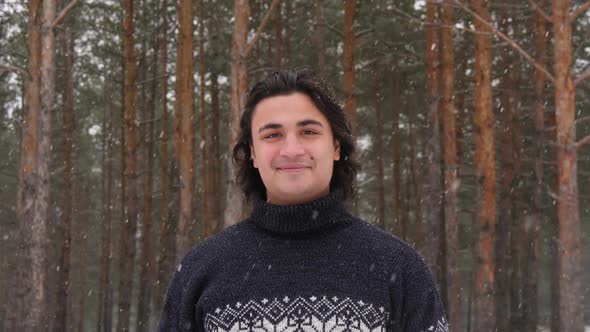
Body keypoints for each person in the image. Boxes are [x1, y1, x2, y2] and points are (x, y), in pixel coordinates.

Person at [159, 70, 449, 332]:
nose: (292, 149)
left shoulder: (398, 268)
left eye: (308, 132)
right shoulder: (202, 270)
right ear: (253, 154)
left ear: (336, 146)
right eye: (273, 134)